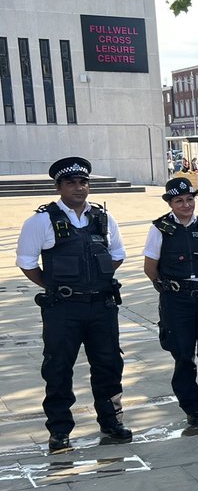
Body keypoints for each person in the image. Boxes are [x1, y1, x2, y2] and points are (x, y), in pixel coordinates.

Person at [16, 157, 131, 453]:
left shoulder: (104, 218)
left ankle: (112, 421)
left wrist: (98, 278)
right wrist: (56, 288)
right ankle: (59, 431)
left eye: (83, 182)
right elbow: (27, 263)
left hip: (102, 307)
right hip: (63, 309)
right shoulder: (41, 221)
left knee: (108, 365)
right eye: (71, 183)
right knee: (58, 369)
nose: (78, 188)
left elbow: (118, 253)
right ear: (59, 187)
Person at [144, 178, 198, 427]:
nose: (186, 204)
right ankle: (192, 408)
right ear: (170, 203)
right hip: (177, 301)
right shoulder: (159, 229)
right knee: (183, 356)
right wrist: (170, 289)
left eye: (190, 199)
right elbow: (150, 268)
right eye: (179, 200)